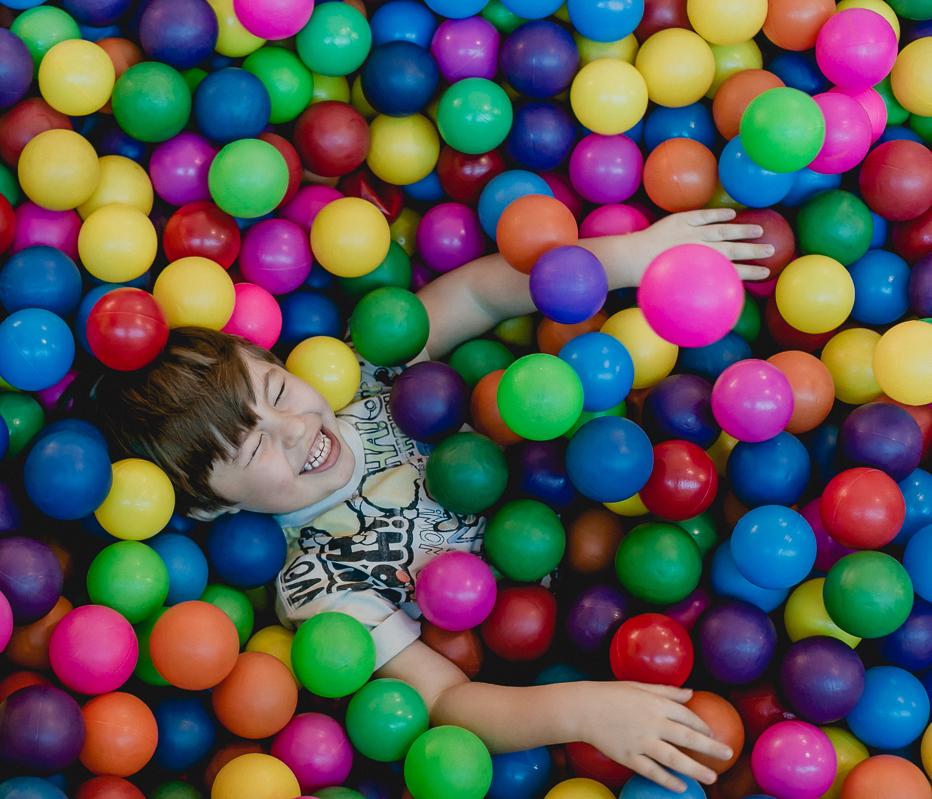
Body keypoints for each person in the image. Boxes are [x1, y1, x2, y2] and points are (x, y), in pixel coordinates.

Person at [84, 208, 774, 793]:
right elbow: (444, 698)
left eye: (278, 392)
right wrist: (585, 712)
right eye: (253, 447)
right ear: (211, 508)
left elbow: (477, 296)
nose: (294, 429)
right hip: (574, 625)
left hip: (609, 492)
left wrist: (630, 257)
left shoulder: (366, 377)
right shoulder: (317, 584)